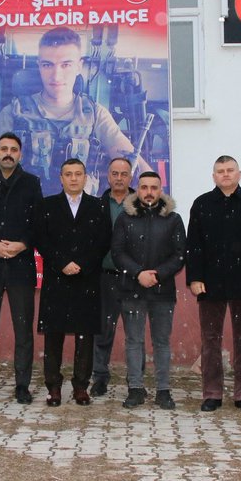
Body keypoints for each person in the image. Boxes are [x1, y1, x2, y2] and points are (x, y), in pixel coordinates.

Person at [0, 27, 146, 195]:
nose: (56, 75)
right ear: (39, 66)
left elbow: (137, 167)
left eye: (66, 65)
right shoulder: (13, 113)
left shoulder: (95, 115)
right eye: (47, 65)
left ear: (79, 66)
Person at [187, 155, 241, 412]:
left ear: (239, 174)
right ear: (214, 176)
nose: (225, 174)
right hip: (210, 284)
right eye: (220, 171)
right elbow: (194, 245)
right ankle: (212, 393)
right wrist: (195, 278)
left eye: (230, 170)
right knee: (211, 340)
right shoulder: (202, 204)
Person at [0, 132, 42, 404]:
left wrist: (22, 244)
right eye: (4, 149)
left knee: (23, 330)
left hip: (20, 265)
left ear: (21, 154)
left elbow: (37, 222)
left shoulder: (31, 183)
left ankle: (22, 386)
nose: (8, 153)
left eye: (14, 149)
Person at [34, 158, 111, 406]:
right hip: (57, 279)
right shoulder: (47, 206)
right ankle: (53, 387)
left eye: (78, 174)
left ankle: (80, 387)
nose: (74, 178)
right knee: (53, 335)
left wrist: (83, 264)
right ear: (61, 177)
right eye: (69, 174)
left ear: (85, 177)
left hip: (86, 279)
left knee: (84, 336)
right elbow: (42, 240)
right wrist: (62, 262)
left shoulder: (98, 206)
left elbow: (103, 241)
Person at [111, 171, 185, 409]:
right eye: (144, 187)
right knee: (134, 341)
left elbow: (180, 255)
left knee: (162, 341)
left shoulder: (173, 219)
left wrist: (158, 274)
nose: (149, 192)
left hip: (162, 292)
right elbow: (118, 252)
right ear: (138, 190)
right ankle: (135, 389)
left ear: (160, 189)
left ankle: (163, 391)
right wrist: (138, 274)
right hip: (132, 289)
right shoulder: (125, 218)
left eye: (154, 187)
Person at [93, 157, 133, 397]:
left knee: (134, 333)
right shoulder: (97, 205)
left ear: (131, 177)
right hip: (104, 277)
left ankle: (134, 381)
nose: (119, 178)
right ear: (108, 176)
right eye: (115, 173)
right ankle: (99, 378)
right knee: (103, 330)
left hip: (133, 279)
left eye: (124, 174)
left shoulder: (141, 206)